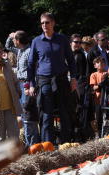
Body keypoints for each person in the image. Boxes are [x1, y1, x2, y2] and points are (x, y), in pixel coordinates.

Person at [27, 12, 77, 144]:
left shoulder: (62, 39)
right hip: (44, 81)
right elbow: (31, 64)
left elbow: (71, 60)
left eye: (47, 22)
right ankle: (47, 145)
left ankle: (66, 144)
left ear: (53, 23)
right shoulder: (36, 41)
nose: (44, 25)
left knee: (64, 113)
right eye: (42, 23)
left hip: (61, 80)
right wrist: (31, 84)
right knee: (46, 115)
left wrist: (73, 78)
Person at [8, 31, 40, 147]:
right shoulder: (20, 50)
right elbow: (8, 46)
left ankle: (32, 144)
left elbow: (33, 71)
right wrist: (10, 36)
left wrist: (29, 86)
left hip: (27, 83)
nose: (13, 41)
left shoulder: (29, 52)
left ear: (19, 40)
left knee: (28, 112)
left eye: (14, 39)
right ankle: (29, 143)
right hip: (21, 84)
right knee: (24, 113)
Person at [71, 33, 93, 140]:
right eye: (76, 42)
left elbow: (84, 73)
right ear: (71, 43)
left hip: (80, 86)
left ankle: (80, 135)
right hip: (69, 86)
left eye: (80, 42)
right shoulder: (69, 54)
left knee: (80, 111)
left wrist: (82, 86)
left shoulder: (80, 55)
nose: (78, 44)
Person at [89, 57, 108, 136]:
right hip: (98, 99)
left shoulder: (107, 73)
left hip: (107, 98)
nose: (101, 64)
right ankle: (98, 132)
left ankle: (107, 130)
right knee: (98, 116)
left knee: (107, 115)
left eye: (103, 62)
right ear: (95, 66)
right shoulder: (93, 75)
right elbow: (94, 87)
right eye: (98, 62)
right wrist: (101, 84)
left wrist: (106, 77)